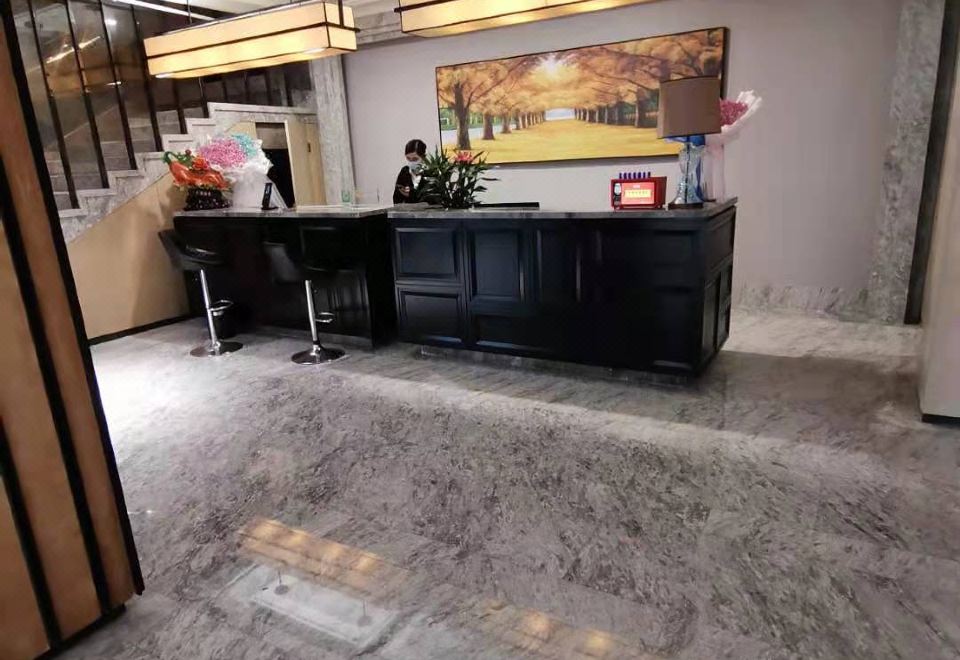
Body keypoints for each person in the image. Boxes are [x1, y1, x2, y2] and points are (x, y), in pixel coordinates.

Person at [393, 138, 427, 204]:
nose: (411, 162)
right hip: (406, 210)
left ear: (423, 157)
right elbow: (396, 199)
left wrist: (410, 194)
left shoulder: (431, 173)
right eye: (408, 158)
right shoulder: (404, 171)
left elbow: (431, 200)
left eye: (415, 159)